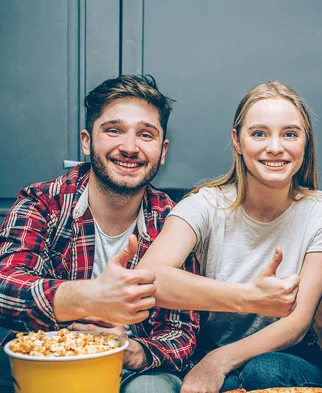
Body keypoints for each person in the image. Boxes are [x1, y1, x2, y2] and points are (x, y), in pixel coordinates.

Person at [0, 75, 298, 393]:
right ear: (87, 141)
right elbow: (6, 285)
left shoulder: (174, 219)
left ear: (162, 149)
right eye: (113, 130)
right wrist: (91, 297)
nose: (130, 147)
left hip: (134, 371)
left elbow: (183, 332)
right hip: (49, 366)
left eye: (146, 135)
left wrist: (134, 352)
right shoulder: (44, 201)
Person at [136, 81, 322, 393]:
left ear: (305, 142)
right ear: (237, 141)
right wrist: (247, 296)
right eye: (259, 133)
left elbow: (298, 322)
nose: (275, 147)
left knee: (265, 369)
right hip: (211, 349)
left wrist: (218, 361)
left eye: (289, 133)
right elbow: (147, 278)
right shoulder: (205, 205)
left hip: (290, 357)